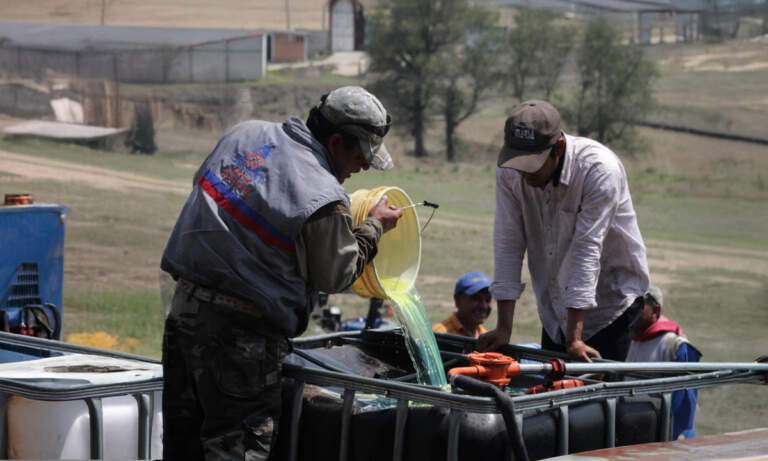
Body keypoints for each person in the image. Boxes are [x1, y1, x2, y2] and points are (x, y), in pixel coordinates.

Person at [159, 86, 403, 460]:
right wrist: (372, 228)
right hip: (243, 341)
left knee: (183, 445)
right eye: (361, 154)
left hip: (183, 315)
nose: (364, 166)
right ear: (336, 141)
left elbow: (203, 189)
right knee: (235, 450)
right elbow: (336, 275)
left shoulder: (243, 135)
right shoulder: (323, 196)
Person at [478, 100, 650, 362]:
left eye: (532, 163)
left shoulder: (598, 170)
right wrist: (504, 328)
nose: (524, 173)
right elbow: (508, 243)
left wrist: (575, 338)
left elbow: (587, 251)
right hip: (556, 310)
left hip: (609, 305)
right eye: (518, 162)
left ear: (558, 148)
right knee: (555, 395)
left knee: (599, 398)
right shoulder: (509, 172)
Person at [626, 284, 701, 439]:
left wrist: (675, 436)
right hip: (629, 425)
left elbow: (685, 399)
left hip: (662, 433)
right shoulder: (627, 340)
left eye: (639, 304)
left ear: (656, 310)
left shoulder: (675, 345)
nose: (632, 309)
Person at [433, 271, 492, 338]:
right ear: (457, 300)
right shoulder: (439, 335)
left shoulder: (485, 336)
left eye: (488, 299)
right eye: (476, 298)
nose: (483, 306)